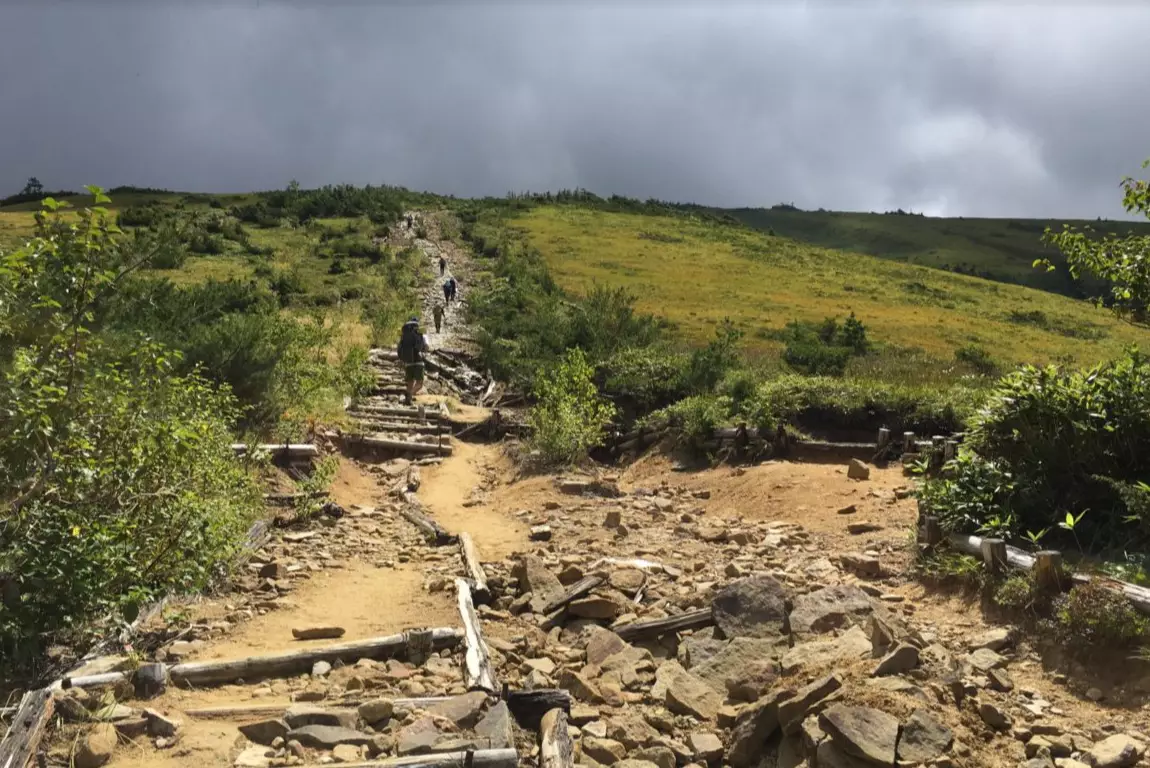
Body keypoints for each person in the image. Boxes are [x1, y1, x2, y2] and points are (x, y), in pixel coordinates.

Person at [396, 317, 429, 405]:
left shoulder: (404, 335)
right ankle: (409, 396)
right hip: (419, 361)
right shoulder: (421, 334)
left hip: (408, 361)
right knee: (419, 384)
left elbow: (400, 347)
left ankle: (408, 400)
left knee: (410, 383)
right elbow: (426, 347)